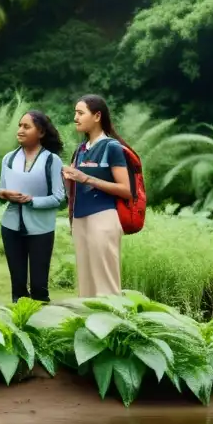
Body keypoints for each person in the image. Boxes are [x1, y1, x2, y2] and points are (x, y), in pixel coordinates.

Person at [61, 95, 131, 298]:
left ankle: (113, 325)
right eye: (75, 113)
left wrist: (86, 178)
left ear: (97, 116)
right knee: (86, 283)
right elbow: (74, 188)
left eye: (80, 113)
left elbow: (125, 189)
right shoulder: (80, 150)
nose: (75, 117)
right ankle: (89, 324)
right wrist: (68, 178)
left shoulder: (112, 147)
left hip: (103, 216)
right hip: (80, 219)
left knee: (105, 284)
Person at [0, 110, 65, 303]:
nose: (20, 130)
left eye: (26, 127)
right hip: (11, 226)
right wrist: (4, 194)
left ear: (41, 132)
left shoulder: (52, 160)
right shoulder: (8, 158)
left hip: (41, 228)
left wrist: (31, 200)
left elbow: (58, 197)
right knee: (18, 286)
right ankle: (20, 324)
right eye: (19, 126)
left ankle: (42, 327)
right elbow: (1, 189)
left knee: (38, 286)